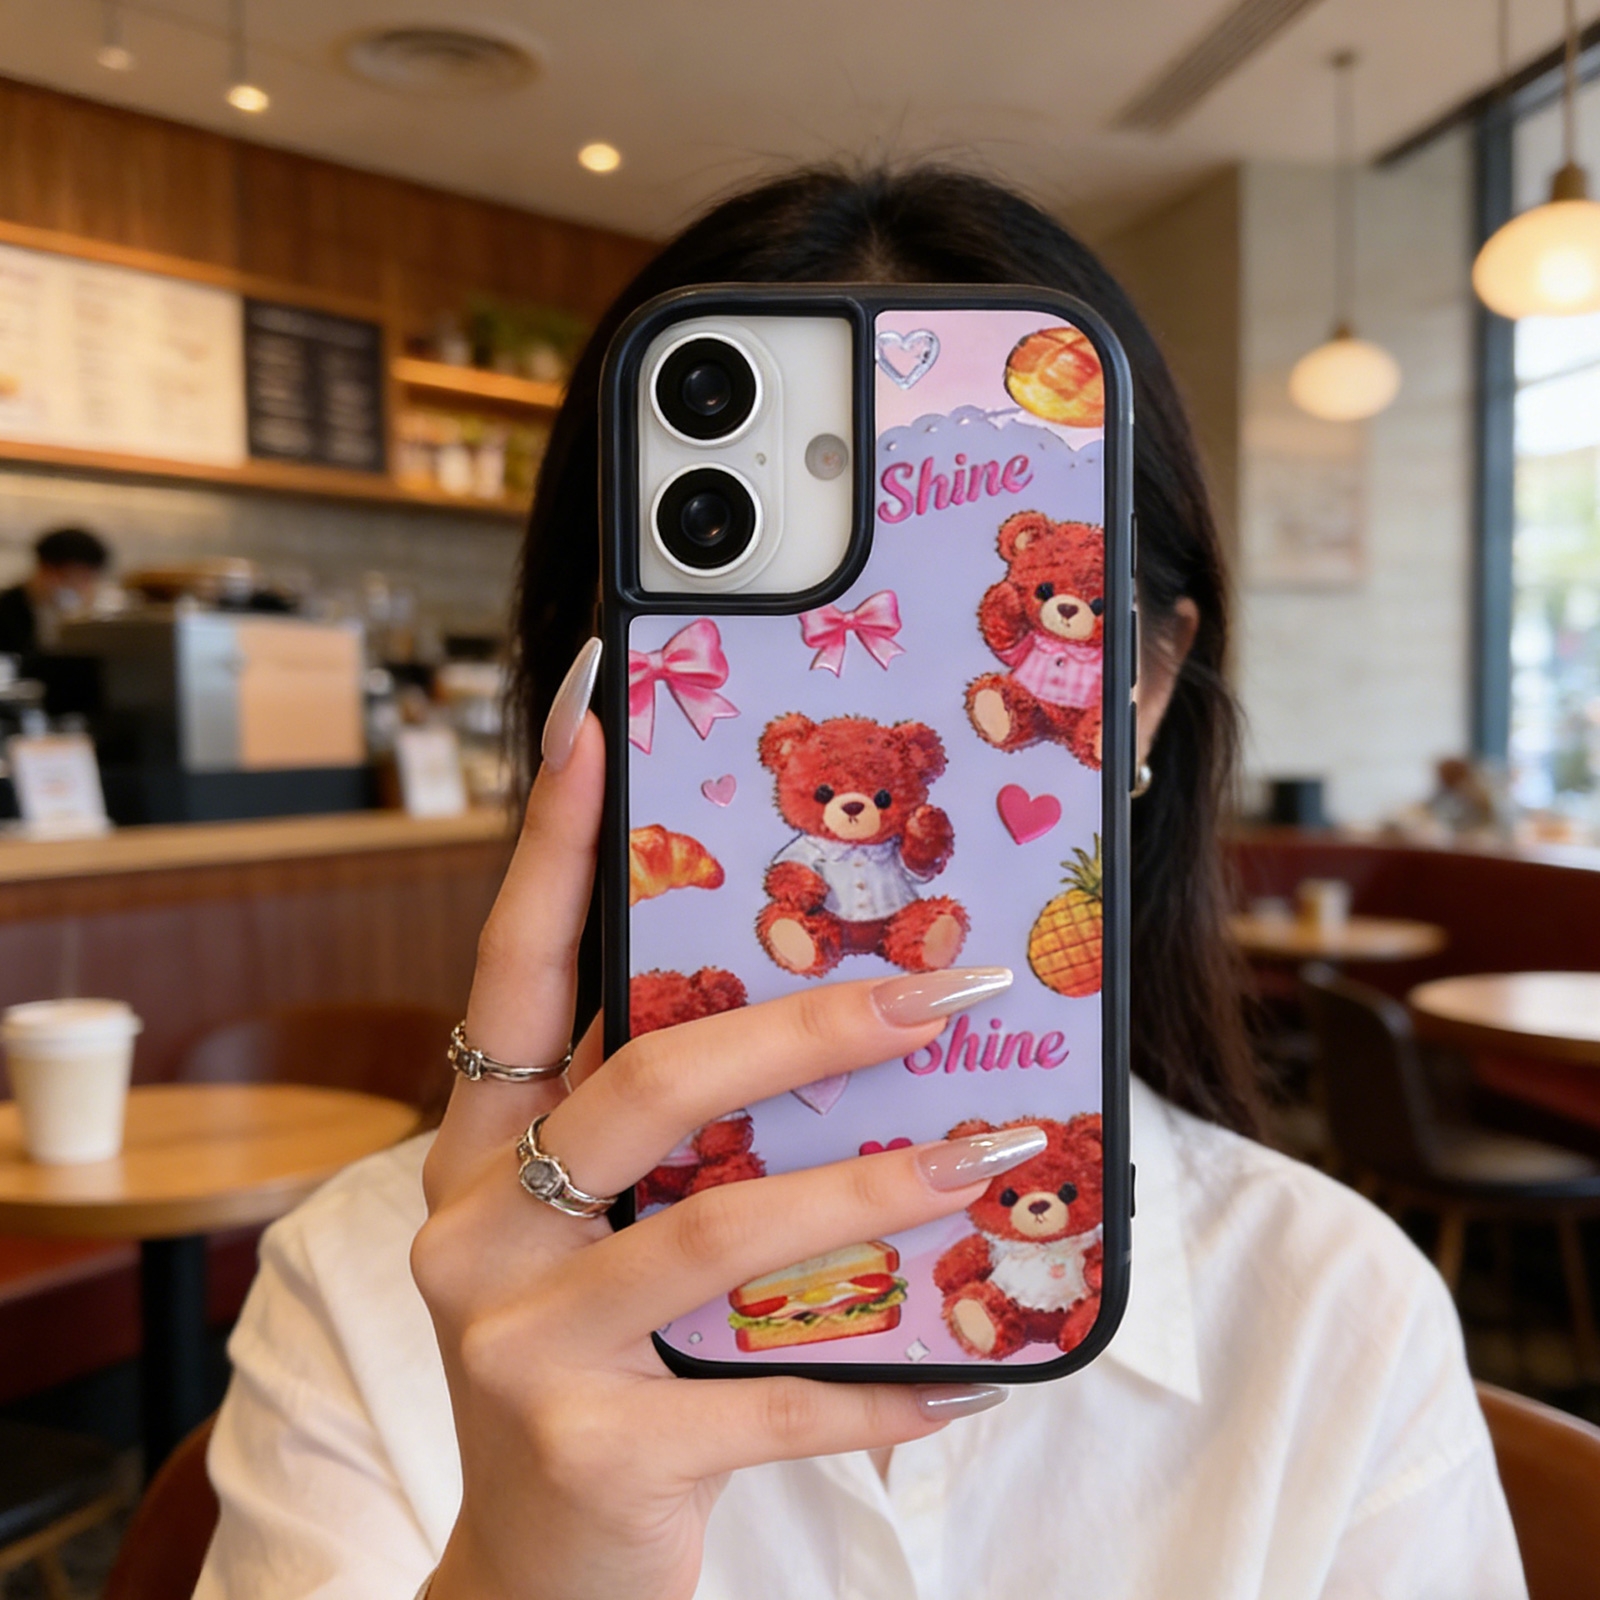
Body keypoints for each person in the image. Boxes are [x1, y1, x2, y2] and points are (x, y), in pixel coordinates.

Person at [195, 167, 1524, 1600]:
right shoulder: (365, 1286)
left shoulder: (1340, 1310)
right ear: (584, 680)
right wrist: (530, 1568)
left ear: (1142, 685)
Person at [0, 526, 110, 663]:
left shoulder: (79, 613)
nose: (85, 587)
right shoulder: (7, 609)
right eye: (82, 577)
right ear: (49, 570)